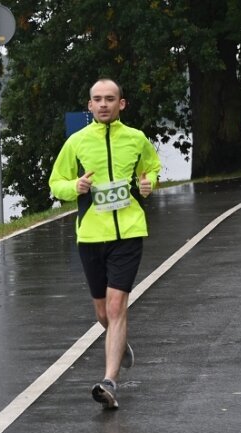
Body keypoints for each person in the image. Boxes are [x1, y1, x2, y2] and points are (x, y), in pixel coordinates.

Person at [48, 78, 160, 410]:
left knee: (116, 306)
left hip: (128, 232)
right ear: (90, 105)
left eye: (110, 99)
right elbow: (57, 182)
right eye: (97, 99)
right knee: (102, 312)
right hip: (91, 236)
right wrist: (75, 188)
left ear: (121, 104)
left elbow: (151, 168)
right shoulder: (77, 142)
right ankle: (118, 342)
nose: (103, 105)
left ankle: (109, 381)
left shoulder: (136, 139)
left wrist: (148, 183)